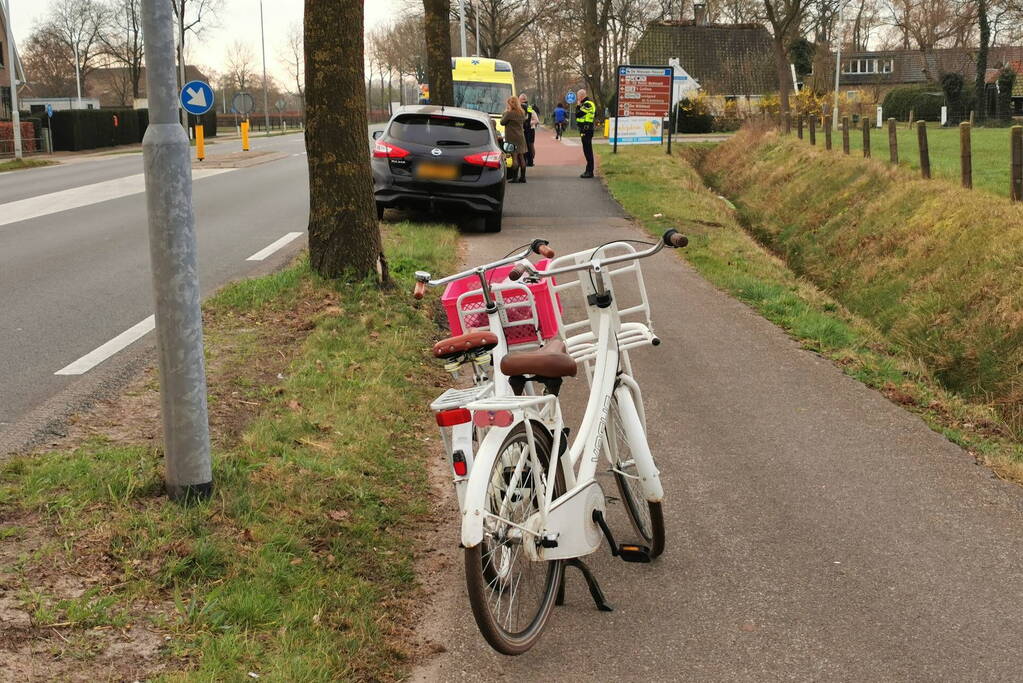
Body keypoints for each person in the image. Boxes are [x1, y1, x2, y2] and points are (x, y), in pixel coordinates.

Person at [500, 96, 529, 183]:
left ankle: (515, 177)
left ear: (511, 104)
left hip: (512, 137)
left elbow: (502, 122)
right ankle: (523, 177)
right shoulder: (522, 112)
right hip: (521, 137)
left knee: (514, 157)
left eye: (508, 103)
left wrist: (505, 112)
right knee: (521, 156)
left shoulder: (509, 113)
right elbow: (523, 121)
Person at [576, 89, 596, 178]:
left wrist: (578, 106)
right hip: (585, 130)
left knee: (588, 151)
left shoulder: (588, 104)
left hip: (586, 130)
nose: (577, 98)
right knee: (586, 151)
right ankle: (588, 170)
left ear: (581, 96)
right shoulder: (585, 104)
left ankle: (590, 171)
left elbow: (578, 114)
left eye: (578, 96)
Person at [518, 93, 540, 166]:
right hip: (523, 130)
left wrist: (528, 123)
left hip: (530, 130)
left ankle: (531, 161)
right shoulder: (520, 108)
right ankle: (528, 161)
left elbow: (536, 120)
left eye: (520, 100)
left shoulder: (529, 108)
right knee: (526, 145)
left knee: (530, 145)